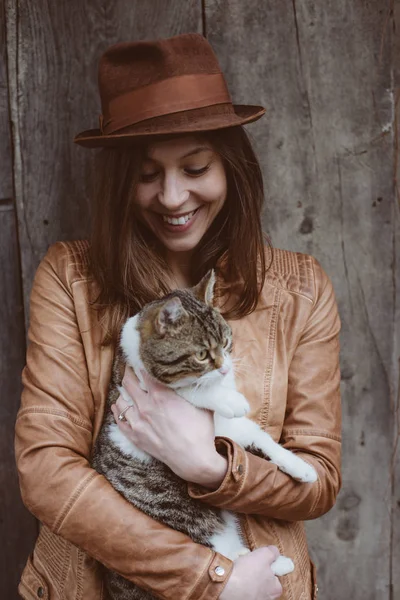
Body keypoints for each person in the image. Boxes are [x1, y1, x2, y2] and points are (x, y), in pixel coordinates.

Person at [15, 33, 341, 600]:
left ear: (231, 167)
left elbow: (318, 481)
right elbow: (46, 469)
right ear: (120, 183)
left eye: (195, 167)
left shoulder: (300, 289)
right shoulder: (69, 277)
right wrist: (209, 580)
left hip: (260, 581)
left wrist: (212, 468)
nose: (171, 196)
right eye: (147, 175)